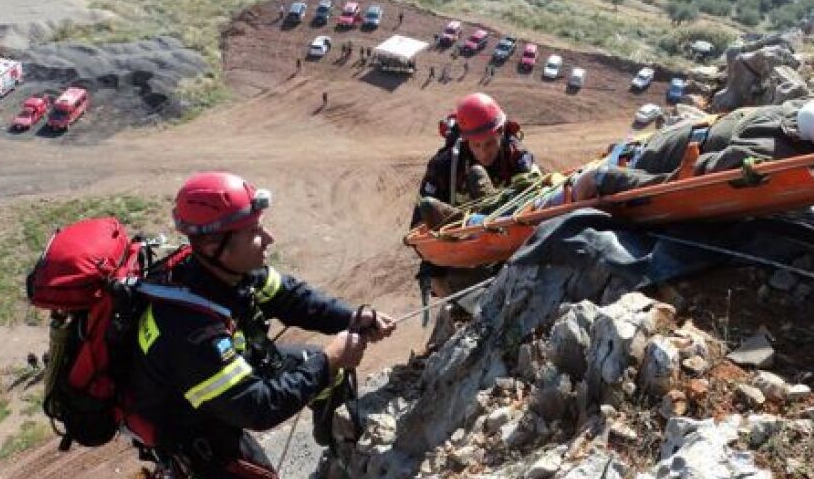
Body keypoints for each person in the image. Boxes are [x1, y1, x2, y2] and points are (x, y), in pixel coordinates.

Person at [127, 172, 395, 478]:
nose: (269, 238)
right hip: (198, 427)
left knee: (323, 372)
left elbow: (293, 298)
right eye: (255, 231)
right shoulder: (189, 329)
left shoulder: (227, 272)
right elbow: (258, 408)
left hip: (229, 384)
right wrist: (330, 358)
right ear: (217, 244)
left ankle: (341, 447)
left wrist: (351, 318)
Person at [571, 56, 814, 200]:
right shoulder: (812, 120)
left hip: (635, 164)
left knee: (565, 188)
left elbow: (674, 189)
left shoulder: (771, 160)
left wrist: (605, 180)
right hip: (645, 146)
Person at [414, 93, 539, 296]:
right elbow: (420, 224)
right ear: (465, 140)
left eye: (490, 143)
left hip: (509, 243)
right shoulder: (444, 166)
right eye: (476, 145)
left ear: (500, 132)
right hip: (462, 252)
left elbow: (537, 202)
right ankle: (477, 218)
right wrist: (435, 269)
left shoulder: (516, 157)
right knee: (430, 206)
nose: (483, 153)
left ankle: (490, 209)